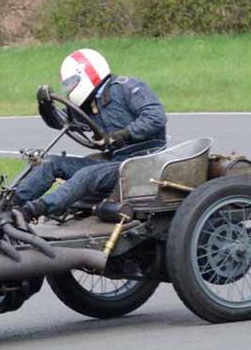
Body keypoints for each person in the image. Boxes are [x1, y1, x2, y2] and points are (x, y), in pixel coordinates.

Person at [14, 48, 168, 221]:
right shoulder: (88, 105)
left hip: (142, 163)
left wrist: (122, 135)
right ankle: (13, 203)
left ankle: (33, 210)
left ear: (88, 73)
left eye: (72, 82)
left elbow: (156, 117)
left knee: (86, 174)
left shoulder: (129, 87)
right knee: (51, 163)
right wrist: (45, 106)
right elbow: (61, 122)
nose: (70, 88)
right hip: (115, 162)